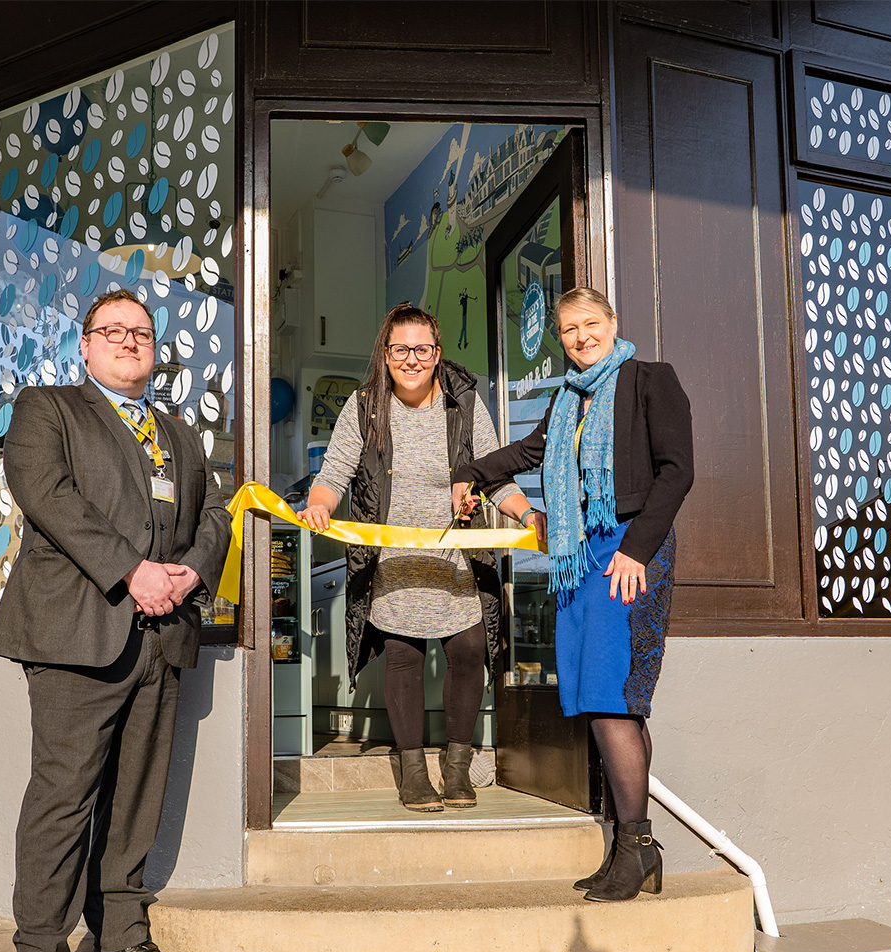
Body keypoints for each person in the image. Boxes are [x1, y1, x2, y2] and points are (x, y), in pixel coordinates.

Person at [0, 288, 232, 952]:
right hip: (76, 633)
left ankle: (120, 937)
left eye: (142, 333)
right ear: (86, 345)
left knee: (136, 796)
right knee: (63, 798)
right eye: (113, 330)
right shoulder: (47, 409)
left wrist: (192, 572)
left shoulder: (180, 434)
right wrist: (132, 570)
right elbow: (48, 496)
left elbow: (214, 514)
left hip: (164, 635)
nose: (129, 340)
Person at [453, 287, 693, 902]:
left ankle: (635, 848)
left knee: (613, 696)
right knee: (598, 698)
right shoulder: (566, 400)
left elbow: (677, 471)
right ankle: (632, 848)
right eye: (568, 329)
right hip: (579, 553)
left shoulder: (650, 380)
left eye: (590, 323)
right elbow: (527, 453)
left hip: (628, 547)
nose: (581, 337)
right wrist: (470, 473)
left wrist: (636, 550)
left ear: (613, 323)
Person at [297, 303, 530, 811]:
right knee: (403, 657)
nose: (411, 359)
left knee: (469, 650)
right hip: (394, 562)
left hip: (456, 561)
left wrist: (527, 513)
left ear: (437, 353)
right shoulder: (364, 406)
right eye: (400, 349)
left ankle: (457, 767)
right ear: (385, 354)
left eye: (421, 349)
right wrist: (319, 505)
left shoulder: (465, 403)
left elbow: (495, 475)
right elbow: (335, 473)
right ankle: (413, 772)